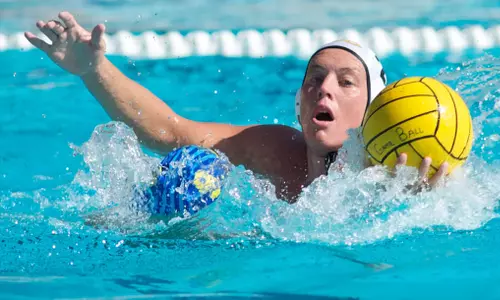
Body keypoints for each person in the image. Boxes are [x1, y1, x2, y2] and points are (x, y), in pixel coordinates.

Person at [25, 12, 448, 203]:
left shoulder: (399, 175)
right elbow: (170, 133)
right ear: (298, 106)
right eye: (314, 80)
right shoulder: (273, 150)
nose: (325, 90)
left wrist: (415, 206)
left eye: (346, 82)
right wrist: (93, 69)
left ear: (372, 108)